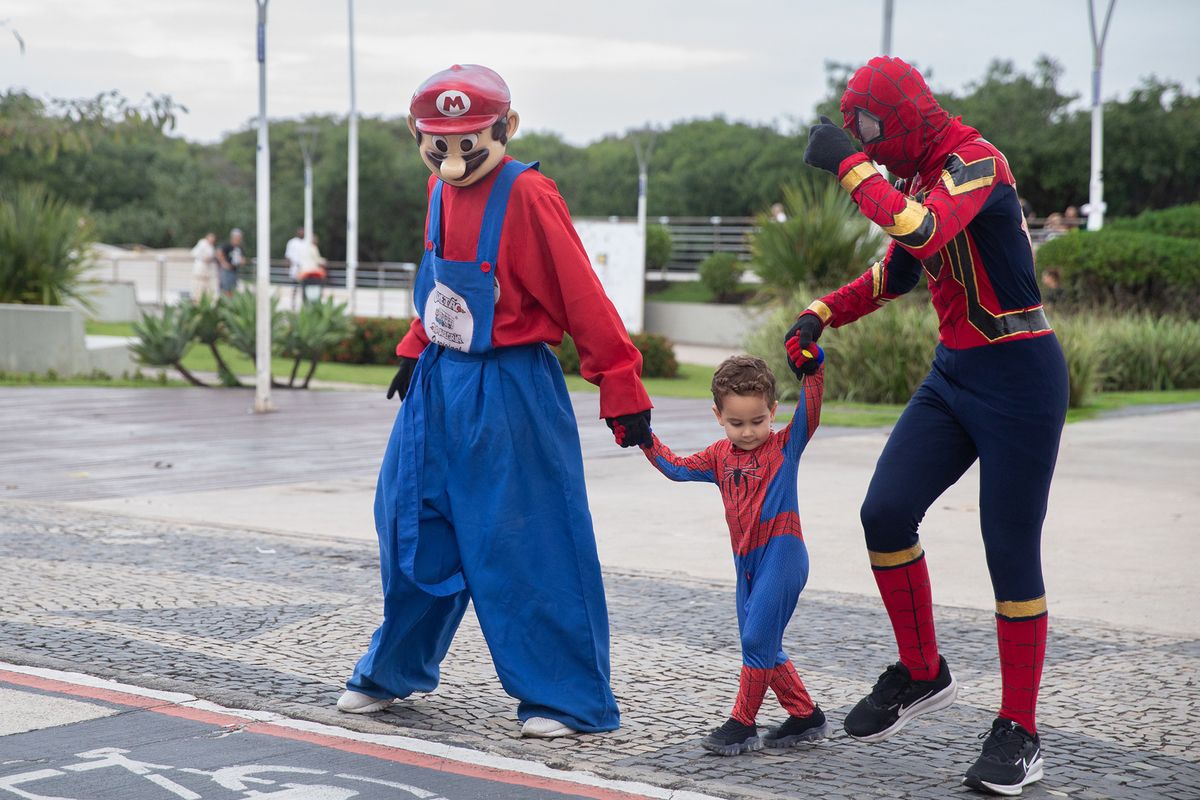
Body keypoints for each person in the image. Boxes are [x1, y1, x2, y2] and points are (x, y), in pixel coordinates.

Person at [336, 64, 653, 739]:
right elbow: (437, 283)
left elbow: (582, 295)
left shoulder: (531, 195)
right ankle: (395, 668)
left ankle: (565, 698)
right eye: (436, 143)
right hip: (439, 383)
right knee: (410, 523)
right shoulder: (435, 191)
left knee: (527, 541)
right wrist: (415, 344)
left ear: (505, 129)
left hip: (511, 387)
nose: (452, 159)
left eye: (467, 143)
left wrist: (620, 381)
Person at [794, 56, 1068, 795]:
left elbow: (921, 225)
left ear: (906, 110)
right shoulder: (915, 176)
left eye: (875, 128)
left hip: (1020, 379)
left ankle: (1021, 731)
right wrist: (822, 311)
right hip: (954, 375)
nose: (873, 144)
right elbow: (901, 268)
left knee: (1009, 551)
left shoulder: (976, 162)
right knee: (883, 513)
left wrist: (849, 165)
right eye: (862, 134)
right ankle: (922, 671)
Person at [640, 354, 830, 756]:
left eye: (758, 421)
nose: (748, 432)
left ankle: (743, 724)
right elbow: (675, 468)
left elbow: (810, 414)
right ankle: (805, 714)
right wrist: (643, 434)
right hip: (746, 566)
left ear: (773, 412)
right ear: (718, 416)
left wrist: (813, 370)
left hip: (783, 553)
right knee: (761, 645)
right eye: (736, 423)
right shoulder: (717, 456)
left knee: (757, 637)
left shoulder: (785, 447)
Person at [297, 233, 327, 304]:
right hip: (313, 273)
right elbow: (317, 260)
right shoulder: (313, 248)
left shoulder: (304, 248)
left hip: (304, 272)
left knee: (305, 290)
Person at [189, 232, 218, 301]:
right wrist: (204, 258)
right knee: (198, 285)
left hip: (207, 269)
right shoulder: (202, 244)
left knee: (207, 286)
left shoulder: (211, 246)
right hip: (200, 267)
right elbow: (194, 253)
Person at [216, 229, 244, 296]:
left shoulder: (239, 248)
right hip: (227, 271)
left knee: (233, 289)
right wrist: (224, 263)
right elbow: (219, 252)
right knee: (226, 289)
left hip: (234, 270)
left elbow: (242, 258)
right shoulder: (227, 246)